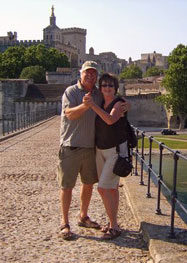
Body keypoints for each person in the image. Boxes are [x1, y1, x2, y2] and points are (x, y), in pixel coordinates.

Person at [58, 61, 129, 240]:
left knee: (89, 184)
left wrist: (127, 104)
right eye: (86, 73)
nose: (90, 76)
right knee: (67, 186)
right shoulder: (71, 92)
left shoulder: (98, 94)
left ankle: (83, 216)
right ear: (80, 74)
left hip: (92, 148)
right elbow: (69, 114)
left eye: (93, 74)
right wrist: (85, 105)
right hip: (71, 145)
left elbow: (114, 104)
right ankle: (65, 223)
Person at [83, 73, 128, 240]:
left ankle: (114, 226)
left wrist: (93, 105)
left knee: (102, 188)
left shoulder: (119, 103)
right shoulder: (102, 102)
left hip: (115, 151)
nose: (107, 88)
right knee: (112, 188)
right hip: (100, 149)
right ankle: (113, 223)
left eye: (110, 85)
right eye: (104, 85)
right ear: (100, 88)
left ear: (115, 88)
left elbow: (110, 120)